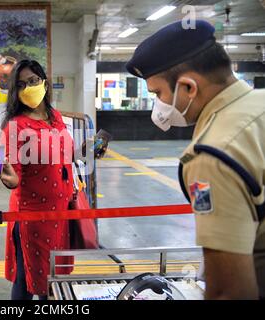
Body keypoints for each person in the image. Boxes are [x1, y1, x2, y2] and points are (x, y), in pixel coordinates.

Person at [126, 20, 265, 299]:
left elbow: (229, 291)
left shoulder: (213, 156)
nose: (159, 103)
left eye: (158, 93)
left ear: (188, 87)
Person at [0, 60, 75, 300]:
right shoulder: (15, 126)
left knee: (47, 276)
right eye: (22, 84)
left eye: (33, 80)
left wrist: (87, 150)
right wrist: (6, 176)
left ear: (43, 80)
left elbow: (65, 153)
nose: (29, 88)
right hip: (32, 217)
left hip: (61, 212)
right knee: (33, 279)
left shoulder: (55, 117)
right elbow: (15, 179)